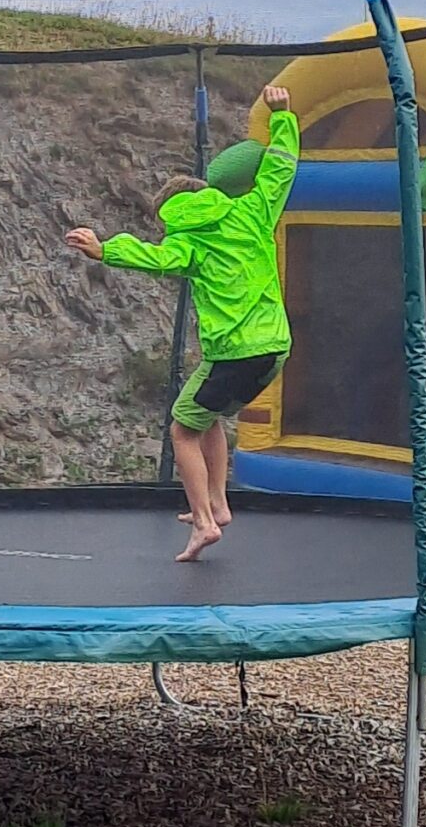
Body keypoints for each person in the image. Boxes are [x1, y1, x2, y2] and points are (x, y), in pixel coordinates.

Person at [64, 85, 299, 561]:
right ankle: (217, 504)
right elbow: (279, 171)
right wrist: (282, 118)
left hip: (236, 351)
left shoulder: (188, 243)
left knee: (181, 430)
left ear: (172, 214)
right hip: (274, 346)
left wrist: (104, 248)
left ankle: (205, 523)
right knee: (204, 414)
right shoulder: (251, 214)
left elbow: (155, 258)